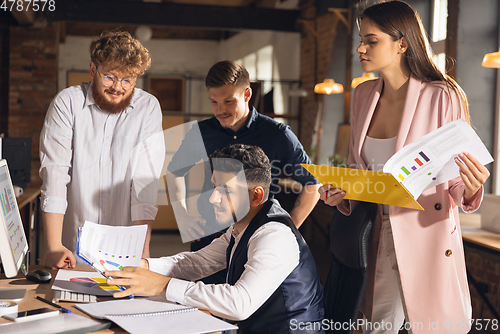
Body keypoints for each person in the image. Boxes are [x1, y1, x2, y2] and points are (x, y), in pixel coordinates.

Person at [319, 1, 490, 334]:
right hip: (374, 232)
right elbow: (358, 166)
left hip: (426, 230)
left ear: (402, 43)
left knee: (432, 328)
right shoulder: (363, 95)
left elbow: (453, 177)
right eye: (361, 39)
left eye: (371, 40)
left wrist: (471, 188)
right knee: (373, 329)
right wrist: (343, 191)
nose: (361, 48)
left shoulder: (443, 96)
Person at [107, 144, 325, 334]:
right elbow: (196, 262)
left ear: (256, 195)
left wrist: (162, 286)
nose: (213, 198)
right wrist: (143, 265)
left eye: (225, 190)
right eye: (214, 187)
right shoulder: (241, 227)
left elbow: (239, 303)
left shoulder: (274, 236)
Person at [166, 60, 320, 283]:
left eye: (228, 102)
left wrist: (287, 229)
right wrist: (184, 215)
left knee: (246, 307)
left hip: (255, 239)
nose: (220, 110)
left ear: (247, 94)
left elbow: (313, 184)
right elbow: (174, 172)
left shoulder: (278, 134)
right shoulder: (201, 132)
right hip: (208, 237)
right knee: (202, 305)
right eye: (214, 102)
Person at [40, 31, 165, 269]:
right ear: (92, 70)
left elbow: (145, 183)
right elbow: (55, 175)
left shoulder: (148, 108)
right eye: (109, 77)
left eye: (127, 80)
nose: (118, 87)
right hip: (72, 246)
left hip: (127, 246)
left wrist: (144, 250)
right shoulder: (67, 103)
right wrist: (53, 246)